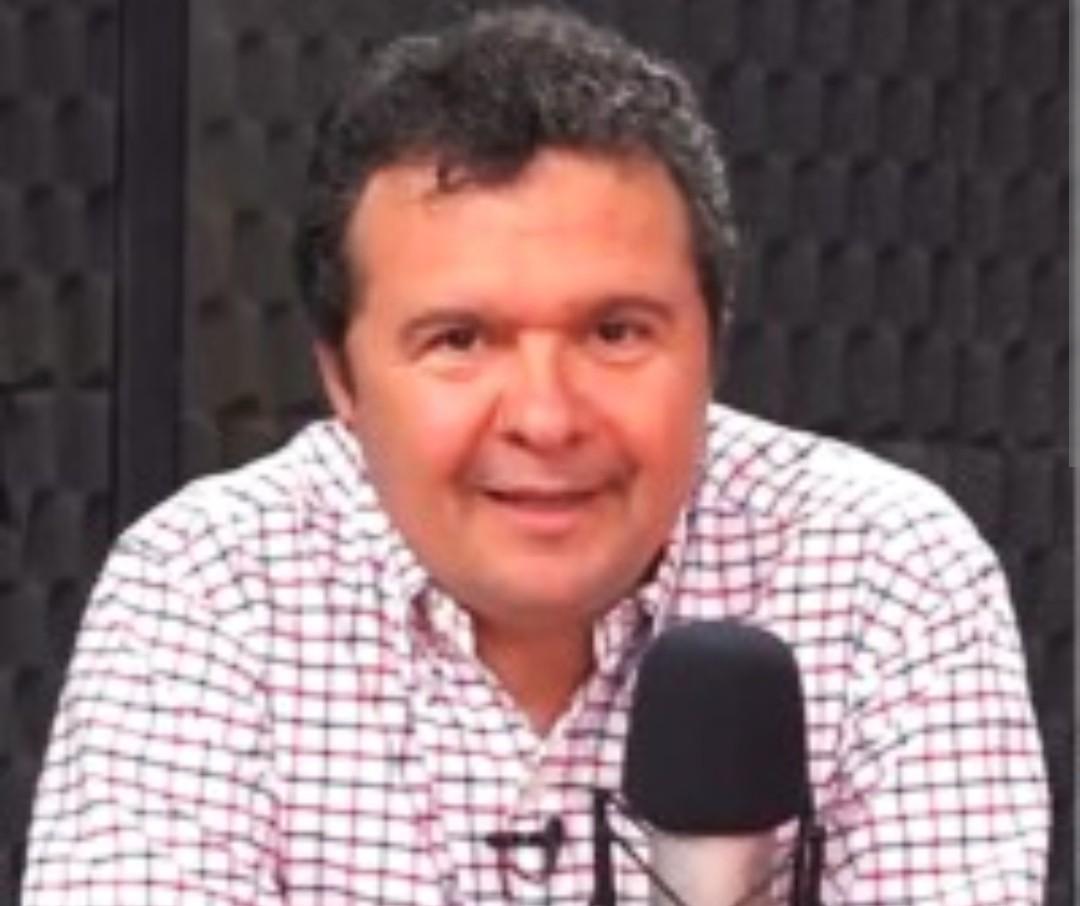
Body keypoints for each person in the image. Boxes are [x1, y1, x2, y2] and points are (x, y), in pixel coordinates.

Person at [23, 7, 1048, 905]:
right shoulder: (207, 590)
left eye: (616, 332)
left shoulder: (888, 576)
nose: (548, 419)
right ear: (341, 379)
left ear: (714, 343)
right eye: (460, 340)